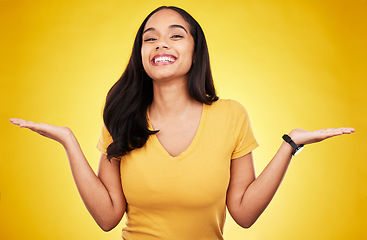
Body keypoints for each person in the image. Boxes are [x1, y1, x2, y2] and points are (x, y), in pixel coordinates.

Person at [9, 6, 354, 240]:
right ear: (141, 53)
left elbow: (244, 214)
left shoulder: (231, 115)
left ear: (194, 49)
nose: (161, 42)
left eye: (176, 35)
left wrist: (290, 145)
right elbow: (107, 218)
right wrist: (69, 141)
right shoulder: (122, 116)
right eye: (150, 37)